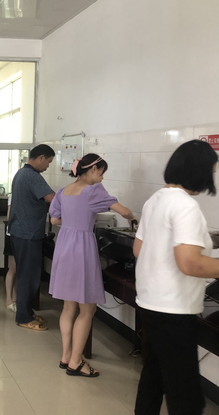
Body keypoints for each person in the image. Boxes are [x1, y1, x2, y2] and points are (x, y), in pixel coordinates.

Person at [133, 140, 219, 415]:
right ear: (199, 171)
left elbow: (138, 249)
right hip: (174, 310)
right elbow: (190, 263)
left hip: (151, 303)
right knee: (185, 395)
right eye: (212, 171)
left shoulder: (156, 199)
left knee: (155, 374)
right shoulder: (185, 206)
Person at [48, 154, 136, 378]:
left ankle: (66, 356)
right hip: (81, 249)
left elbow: (54, 220)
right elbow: (123, 210)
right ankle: (76, 362)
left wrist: (73, 221)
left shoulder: (63, 191)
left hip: (64, 246)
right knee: (88, 310)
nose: (103, 177)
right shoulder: (92, 191)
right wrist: (133, 219)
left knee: (69, 307)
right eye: (102, 172)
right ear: (93, 169)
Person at [8, 144, 56, 331]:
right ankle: (24, 317)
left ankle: (26, 310)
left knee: (26, 274)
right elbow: (52, 198)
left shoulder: (21, 173)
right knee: (28, 276)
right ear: (41, 157)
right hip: (28, 233)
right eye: (48, 162)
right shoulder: (32, 176)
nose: (48, 166)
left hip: (20, 231)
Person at [4, 195, 17, 311]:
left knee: (17, 269)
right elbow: (9, 216)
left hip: (22, 235)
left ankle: (15, 297)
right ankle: (9, 299)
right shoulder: (13, 195)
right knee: (13, 269)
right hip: (13, 234)